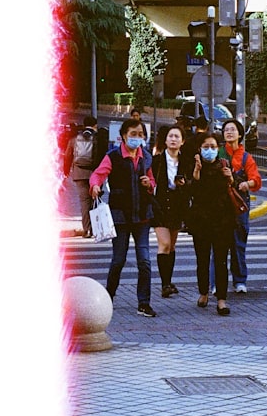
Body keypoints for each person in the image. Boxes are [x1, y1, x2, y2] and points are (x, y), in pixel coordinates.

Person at [89, 119, 159, 317]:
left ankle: (143, 303)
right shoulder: (113, 156)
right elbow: (98, 174)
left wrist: (149, 184)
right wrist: (95, 185)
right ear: (124, 135)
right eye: (133, 134)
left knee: (144, 261)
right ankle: (108, 296)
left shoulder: (146, 157)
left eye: (140, 134)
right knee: (118, 259)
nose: (137, 138)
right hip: (120, 216)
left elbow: (152, 181)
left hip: (143, 216)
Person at [186, 134, 236, 316]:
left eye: (213, 146)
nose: (209, 149)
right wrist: (197, 172)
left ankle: (221, 299)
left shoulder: (224, 164)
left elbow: (234, 186)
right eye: (206, 146)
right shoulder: (195, 166)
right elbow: (190, 190)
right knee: (202, 259)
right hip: (201, 220)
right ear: (199, 148)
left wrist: (230, 178)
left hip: (222, 220)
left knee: (221, 261)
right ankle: (203, 292)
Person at [219, 118, 262, 293]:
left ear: (239, 134)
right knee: (219, 243)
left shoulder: (246, 157)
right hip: (220, 203)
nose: (229, 132)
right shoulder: (218, 152)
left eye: (233, 130)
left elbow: (256, 180)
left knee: (238, 243)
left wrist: (247, 184)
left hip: (239, 204)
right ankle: (216, 283)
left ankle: (240, 281)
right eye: (226, 130)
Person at [152, 125, 189, 298]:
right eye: (170, 136)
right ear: (165, 140)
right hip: (160, 206)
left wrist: (185, 185)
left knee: (172, 245)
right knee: (164, 244)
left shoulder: (186, 161)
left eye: (177, 136)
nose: (173, 139)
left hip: (177, 206)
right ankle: (164, 283)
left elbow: (192, 184)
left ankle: (168, 281)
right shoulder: (157, 161)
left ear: (182, 141)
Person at [64, 116, 105, 238]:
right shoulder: (98, 138)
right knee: (94, 201)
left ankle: (86, 229)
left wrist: (66, 171)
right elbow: (103, 156)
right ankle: (95, 229)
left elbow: (67, 156)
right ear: (95, 126)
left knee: (84, 202)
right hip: (95, 174)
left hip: (79, 174)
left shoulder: (74, 139)